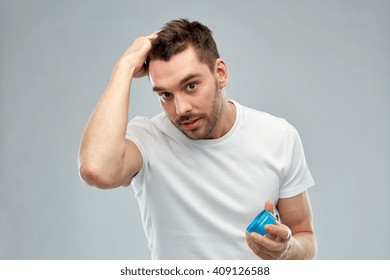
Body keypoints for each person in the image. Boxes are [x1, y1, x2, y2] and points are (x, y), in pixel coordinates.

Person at [78, 19, 317, 260]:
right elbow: (96, 169)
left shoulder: (278, 135)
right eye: (165, 94)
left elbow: (304, 235)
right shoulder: (148, 138)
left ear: (220, 73)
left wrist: (287, 250)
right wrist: (124, 67)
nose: (181, 109)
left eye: (191, 85)